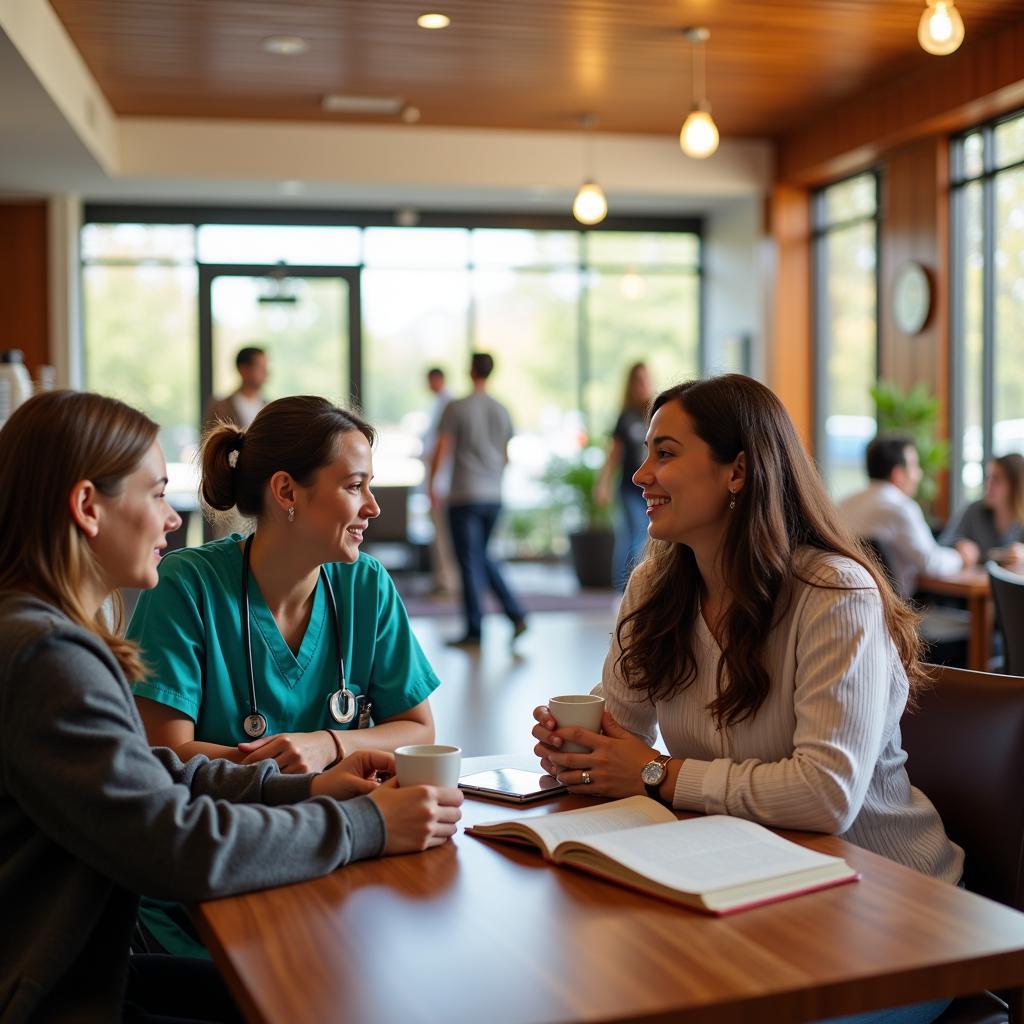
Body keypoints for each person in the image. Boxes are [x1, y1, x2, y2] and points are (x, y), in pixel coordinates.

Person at [0, 390, 462, 1023]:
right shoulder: (45, 658)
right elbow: (175, 841)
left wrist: (312, 786)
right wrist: (369, 826)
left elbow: (164, 774)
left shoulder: (45, 640)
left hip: (84, 967)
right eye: (157, 493)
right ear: (87, 507)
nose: (171, 517)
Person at [531, 375, 961, 1024]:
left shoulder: (834, 595)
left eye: (666, 453)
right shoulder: (658, 582)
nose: (641, 473)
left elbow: (824, 796)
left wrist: (656, 774)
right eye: (646, 452)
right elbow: (619, 720)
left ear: (738, 470)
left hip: (888, 911)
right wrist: (579, 745)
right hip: (749, 886)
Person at [128, 394, 441, 955]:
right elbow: (163, 755)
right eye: (354, 486)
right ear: (287, 492)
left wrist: (326, 743)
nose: (372, 507)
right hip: (209, 891)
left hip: (335, 872)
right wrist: (293, 777)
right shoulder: (186, 586)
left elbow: (419, 730)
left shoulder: (364, 585)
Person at [428, 352, 527, 648]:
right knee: (481, 557)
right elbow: (506, 456)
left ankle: (475, 630)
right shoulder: (502, 409)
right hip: (493, 496)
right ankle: (515, 614)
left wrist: (433, 484)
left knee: (470, 562)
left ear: (471, 371)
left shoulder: (456, 407)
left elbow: (442, 448)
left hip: (464, 495)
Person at [836, 435, 976, 598]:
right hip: (895, 609)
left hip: (848, 599)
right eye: (915, 467)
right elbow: (929, 563)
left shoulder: (843, 504)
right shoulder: (900, 507)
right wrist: (961, 557)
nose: (919, 474)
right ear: (898, 474)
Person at [594, 362, 655, 588]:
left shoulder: (656, 413)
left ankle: (640, 587)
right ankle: (626, 589)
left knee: (644, 537)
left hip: (652, 487)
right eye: (637, 380)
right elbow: (614, 455)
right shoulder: (625, 417)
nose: (642, 384)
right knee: (635, 536)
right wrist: (603, 484)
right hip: (630, 488)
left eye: (645, 379)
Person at [940, 453, 1024, 566]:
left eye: (996, 479)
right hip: (974, 582)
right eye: (988, 478)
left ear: (1015, 485)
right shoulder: (974, 510)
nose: (988, 484)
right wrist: (958, 544)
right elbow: (943, 542)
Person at [421, 367, 459, 596]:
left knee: (444, 536)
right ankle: (446, 581)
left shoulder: (448, 406)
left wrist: (432, 485)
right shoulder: (441, 404)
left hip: (443, 483)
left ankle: (448, 583)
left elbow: (442, 447)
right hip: (442, 482)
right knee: (442, 535)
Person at [203, 346, 269, 432]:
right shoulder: (219, 408)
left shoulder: (269, 407)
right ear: (243, 369)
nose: (266, 372)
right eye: (260, 367)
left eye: (265, 367)